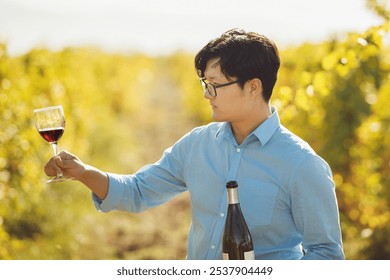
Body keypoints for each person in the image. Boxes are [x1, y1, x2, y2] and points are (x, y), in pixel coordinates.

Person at [44, 28, 345, 260]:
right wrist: (82, 172)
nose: (206, 94)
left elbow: (327, 255)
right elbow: (136, 192)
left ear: (253, 87)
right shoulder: (198, 145)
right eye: (205, 84)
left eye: (215, 85)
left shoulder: (302, 164)